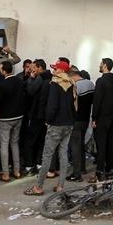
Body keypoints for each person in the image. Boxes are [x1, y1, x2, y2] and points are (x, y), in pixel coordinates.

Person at [25, 59, 77, 196]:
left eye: (56, 69)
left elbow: (52, 105)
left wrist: (48, 120)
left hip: (56, 124)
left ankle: (38, 187)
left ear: (61, 70)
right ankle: (60, 186)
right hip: (68, 123)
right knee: (63, 153)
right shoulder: (71, 83)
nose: (54, 71)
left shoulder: (55, 83)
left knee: (47, 155)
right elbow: (74, 105)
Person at [91, 58, 113, 182]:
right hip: (112, 117)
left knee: (101, 144)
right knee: (110, 144)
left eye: (100, 63)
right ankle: (109, 170)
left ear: (105, 65)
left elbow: (96, 101)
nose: (99, 65)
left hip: (101, 118)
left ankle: (100, 171)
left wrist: (94, 118)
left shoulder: (101, 81)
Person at [0, 60, 26, 181]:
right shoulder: (19, 81)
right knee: (14, 143)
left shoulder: (2, 84)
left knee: (4, 145)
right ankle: (17, 171)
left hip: (6, 118)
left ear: (4, 71)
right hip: (18, 116)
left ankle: (6, 174)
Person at [22, 59, 50, 175]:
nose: (31, 70)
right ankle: (39, 164)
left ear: (39, 68)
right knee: (42, 140)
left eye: (33, 67)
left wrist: (31, 78)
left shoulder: (40, 78)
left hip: (36, 114)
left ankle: (29, 165)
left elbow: (30, 91)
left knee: (30, 141)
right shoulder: (50, 78)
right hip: (45, 115)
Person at [67, 69, 95, 182]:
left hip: (76, 120)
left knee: (75, 147)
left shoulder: (75, 86)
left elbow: (71, 104)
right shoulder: (91, 84)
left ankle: (76, 173)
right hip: (85, 119)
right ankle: (82, 168)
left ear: (72, 76)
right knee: (81, 145)